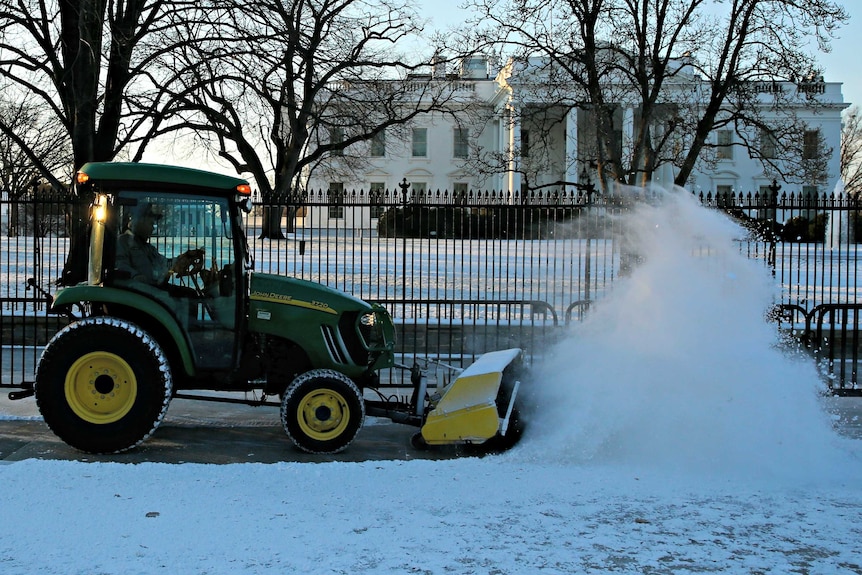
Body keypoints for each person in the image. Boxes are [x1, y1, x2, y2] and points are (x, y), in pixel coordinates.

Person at [115, 202, 201, 286]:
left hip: (153, 291)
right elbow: (120, 266)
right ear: (139, 222)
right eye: (151, 224)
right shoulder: (122, 242)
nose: (153, 228)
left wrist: (184, 258)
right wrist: (135, 276)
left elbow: (164, 263)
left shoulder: (148, 248)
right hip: (139, 293)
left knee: (190, 294)